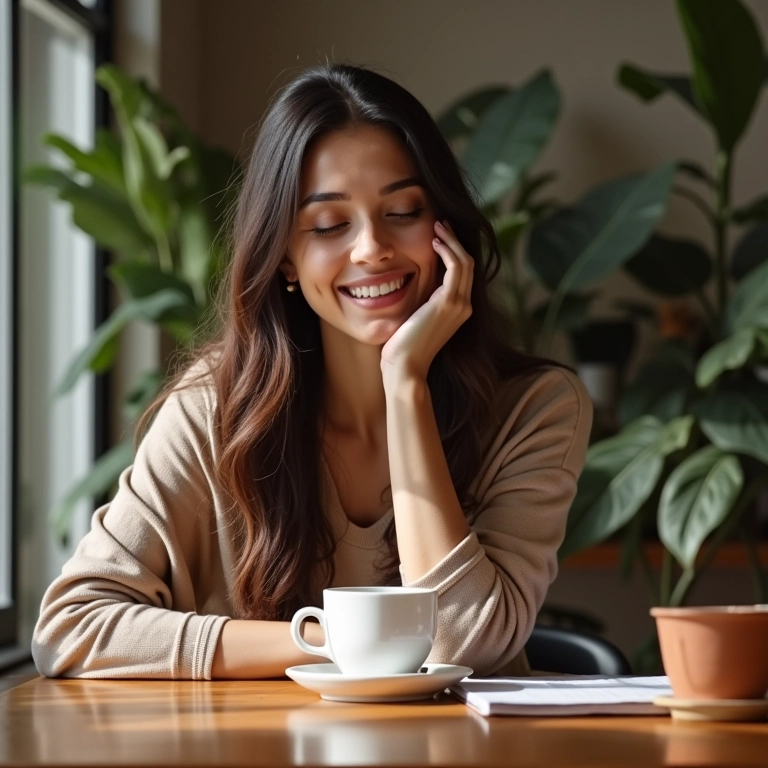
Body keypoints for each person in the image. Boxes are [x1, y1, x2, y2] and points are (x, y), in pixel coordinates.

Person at [32, 64, 592, 680]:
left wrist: (405, 383)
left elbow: (465, 643)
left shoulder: (535, 407)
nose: (371, 247)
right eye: (328, 225)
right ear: (287, 259)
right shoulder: (211, 412)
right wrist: (337, 639)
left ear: (446, 230)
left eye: (403, 211)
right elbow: (72, 628)